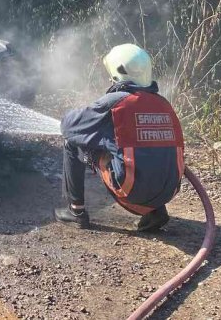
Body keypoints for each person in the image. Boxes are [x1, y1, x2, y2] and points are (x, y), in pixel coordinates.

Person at [54, 44, 184, 232]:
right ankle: (156, 211)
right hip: (167, 192)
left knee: (73, 142)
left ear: (118, 74)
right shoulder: (163, 104)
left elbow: (69, 126)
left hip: (132, 192)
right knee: (142, 150)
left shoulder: (116, 103)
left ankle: (76, 212)